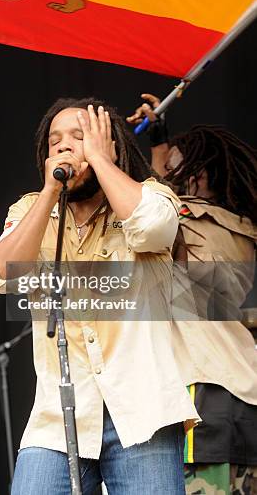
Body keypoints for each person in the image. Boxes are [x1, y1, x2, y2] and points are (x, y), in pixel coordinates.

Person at [0, 97, 200, 495]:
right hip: (56, 419)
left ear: (108, 143)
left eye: (79, 137)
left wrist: (102, 162)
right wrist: (51, 191)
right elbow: (2, 275)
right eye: (56, 140)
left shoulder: (152, 197)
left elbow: (152, 226)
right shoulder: (32, 209)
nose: (65, 146)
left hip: (142, 417)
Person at [127, 94, 257, 495]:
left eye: (178, 165)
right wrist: (159, 141)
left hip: (209, 401)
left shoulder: (220, 229)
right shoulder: (212, 224)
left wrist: (105, 153)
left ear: (204, 174)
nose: (169, 170)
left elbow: (154, 217)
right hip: (222, 399)